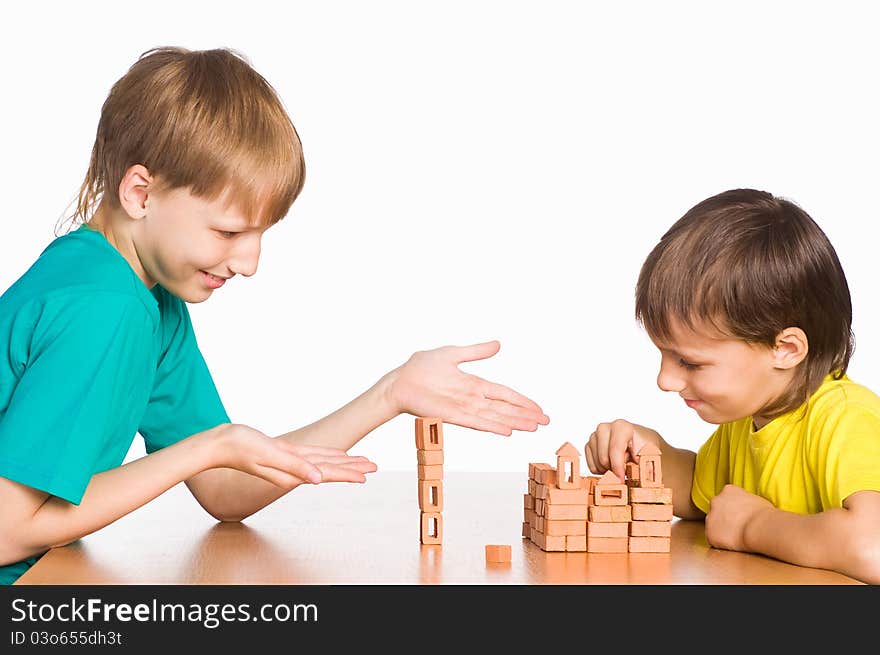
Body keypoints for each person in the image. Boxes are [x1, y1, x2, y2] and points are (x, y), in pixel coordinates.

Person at [0, 47, 549, 585]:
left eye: (261, 234)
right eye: (228, 232)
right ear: (141, 194)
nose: (250, 262)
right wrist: (206, 448)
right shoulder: (104, 309)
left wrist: (390, 395)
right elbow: (6, 532)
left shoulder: (146, 298)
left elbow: (225, 490)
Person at [584, 188, 880, 584]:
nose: (665, 380)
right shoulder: (747, 420)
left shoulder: (845, 420)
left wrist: (753, 526)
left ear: (785, 349)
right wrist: (649, 454)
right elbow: (701, 495)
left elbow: (872, 548)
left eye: (689, 361)